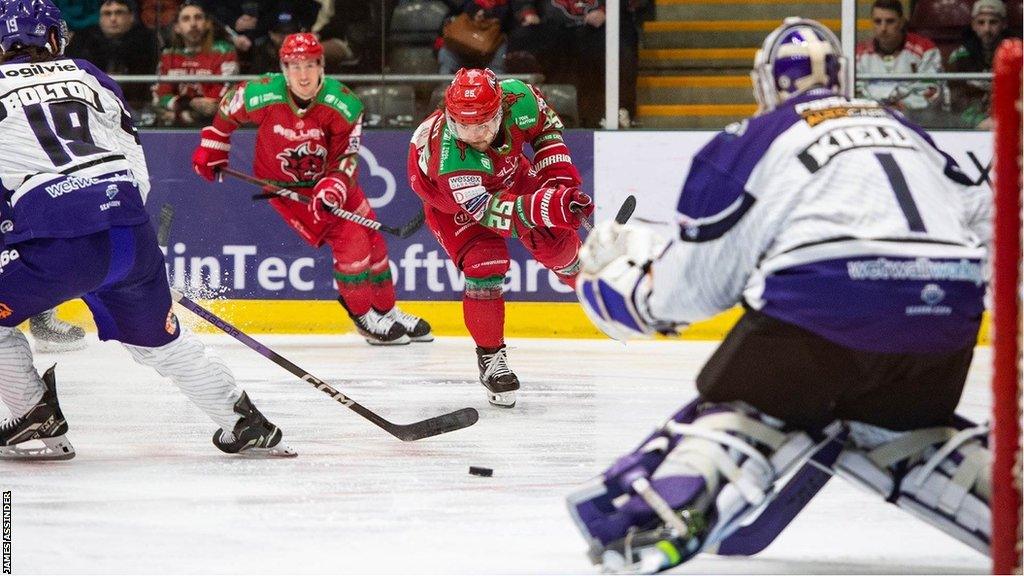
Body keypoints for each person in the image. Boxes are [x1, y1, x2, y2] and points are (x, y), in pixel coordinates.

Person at [569, 18, 992, 573]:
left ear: (764, 82)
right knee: (898, 430)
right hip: (947, 322)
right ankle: (987, 484)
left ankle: (676, 499)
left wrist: (617, 286)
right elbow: (990, 221)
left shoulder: (749, 138)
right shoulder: (908, 130)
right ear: (840, 76)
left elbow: (689, 293)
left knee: (750, 407)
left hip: (825, 309)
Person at [0, 0, 294, 460]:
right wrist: (126, 240)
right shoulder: (88, 75)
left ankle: (35, 413)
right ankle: (243, 421)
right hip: (129, 231)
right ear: (54, 39)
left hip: (56, 238)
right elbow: (136, 169)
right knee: (161, 341)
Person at [192, 33, 432, 346]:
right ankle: (363, 315)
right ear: (283, 68)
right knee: (352, 241)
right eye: (294, 66)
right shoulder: (262, 92)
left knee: (375, 242)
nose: (303, 74)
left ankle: (386, 310)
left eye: (310, 65)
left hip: (334, 182)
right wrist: (214, 145)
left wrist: (333, 186)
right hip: (288, 189)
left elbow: (347, 155)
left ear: (322, 66)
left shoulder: (344, 103)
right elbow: (228, 108)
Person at [407, 67, 592, 407]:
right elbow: (494, 214)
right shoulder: (452, 159)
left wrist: (560, 185)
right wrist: (550, 205)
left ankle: (592, 286)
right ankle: (491, 359)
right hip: (452, 203)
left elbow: (546, 131)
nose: (474, 134)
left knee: (557, 241)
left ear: (501, 110)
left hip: (504, 171)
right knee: (484, 263)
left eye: (483, 124)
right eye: (463, 125)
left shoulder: (520, 98)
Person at [152, 1, 238, 126]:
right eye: (186, 19)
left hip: (213, 122)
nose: (193, 24)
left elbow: (225, 94)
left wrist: (181, 114)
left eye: (198, 18)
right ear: (177, 27)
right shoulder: (168, 55)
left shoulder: (224, 51)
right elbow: (160, 95)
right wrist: (189, 103)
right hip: (176, 127)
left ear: (207, 24)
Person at [64, 0, 159, 112]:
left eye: (119, 13)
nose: (113, 19)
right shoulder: (83, 40)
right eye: (107, 13)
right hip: (91, 105)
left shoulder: (147, 40)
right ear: (100, 18)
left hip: (137, 105)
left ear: (131, 17)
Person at [855, 0, 943, 115]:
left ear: (901, 22)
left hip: (917, 120)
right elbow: (855, 93)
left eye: (890, 21)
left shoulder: (926, 50)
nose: (883, 28)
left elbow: (931, 92)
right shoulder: (858, 54)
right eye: (877, 21)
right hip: (872, 118)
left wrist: (902, 106)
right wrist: (882, 107)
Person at [948, 0, 1018, 128]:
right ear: (973, 25)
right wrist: (979, 121)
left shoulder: (1018, 54)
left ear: (1004, 24)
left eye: (993, 22)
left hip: (1011, 120)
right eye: (981, 22)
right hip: (972, 121)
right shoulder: (959, 57)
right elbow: (956, 100)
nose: (987, 29)